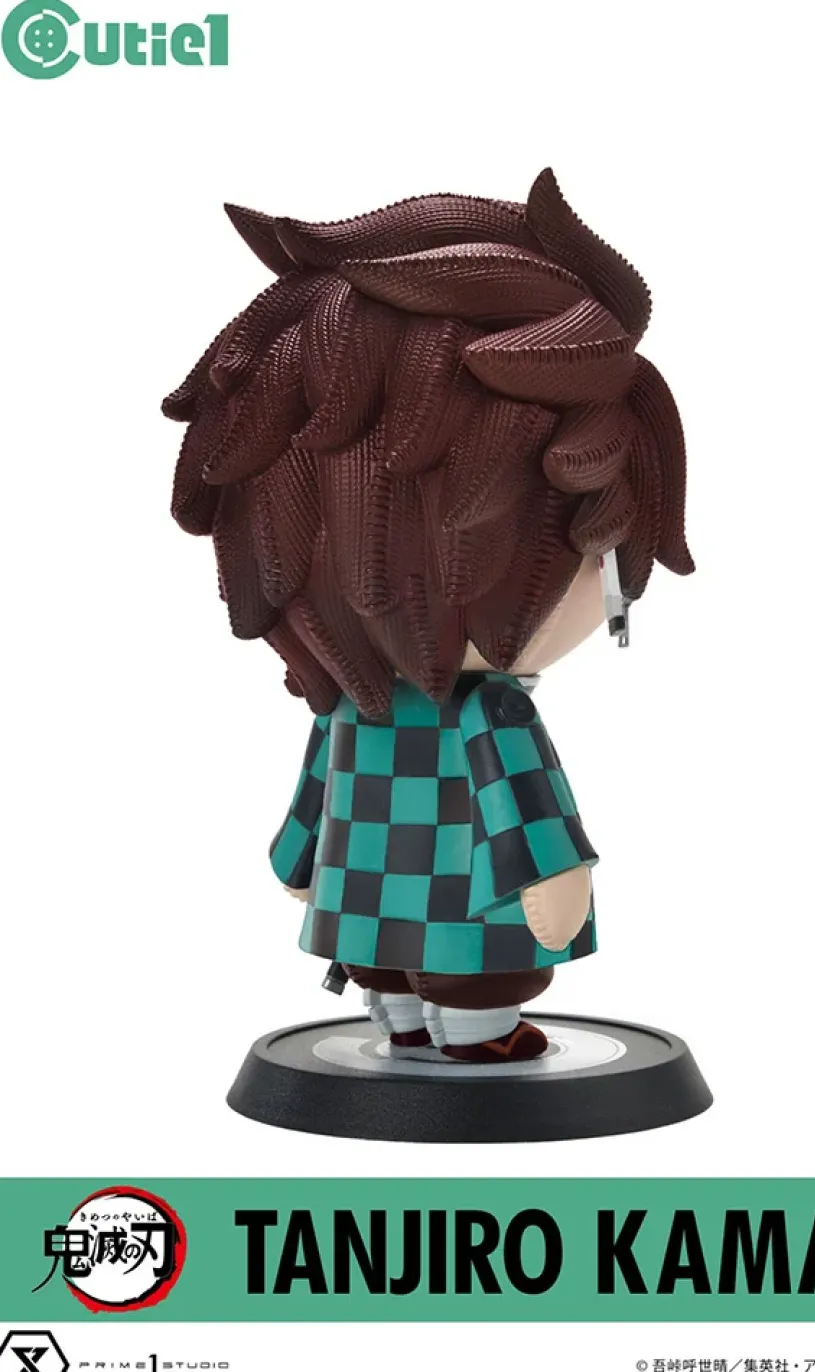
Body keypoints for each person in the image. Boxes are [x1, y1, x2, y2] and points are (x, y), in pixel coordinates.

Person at [162, 168, 691, 1063]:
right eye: (601, 553)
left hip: (366, 903)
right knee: (473, 972)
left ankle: (401, 1020)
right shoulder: (493, 709)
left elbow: (318, 788)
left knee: (386, 963)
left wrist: (300, 859)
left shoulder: (352, 707)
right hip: (465, 912)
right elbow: (523, 803)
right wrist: (555, 876)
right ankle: (477, 1032)